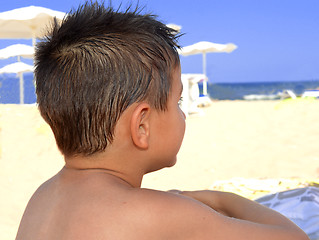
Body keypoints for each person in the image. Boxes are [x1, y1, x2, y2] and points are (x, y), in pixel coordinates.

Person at [16, 2, 309, 240]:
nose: (182, 114)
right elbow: (294, 237)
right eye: (177, 102)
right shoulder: (165, 214)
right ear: (141, 126)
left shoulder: (42, 198)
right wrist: (218, 199)